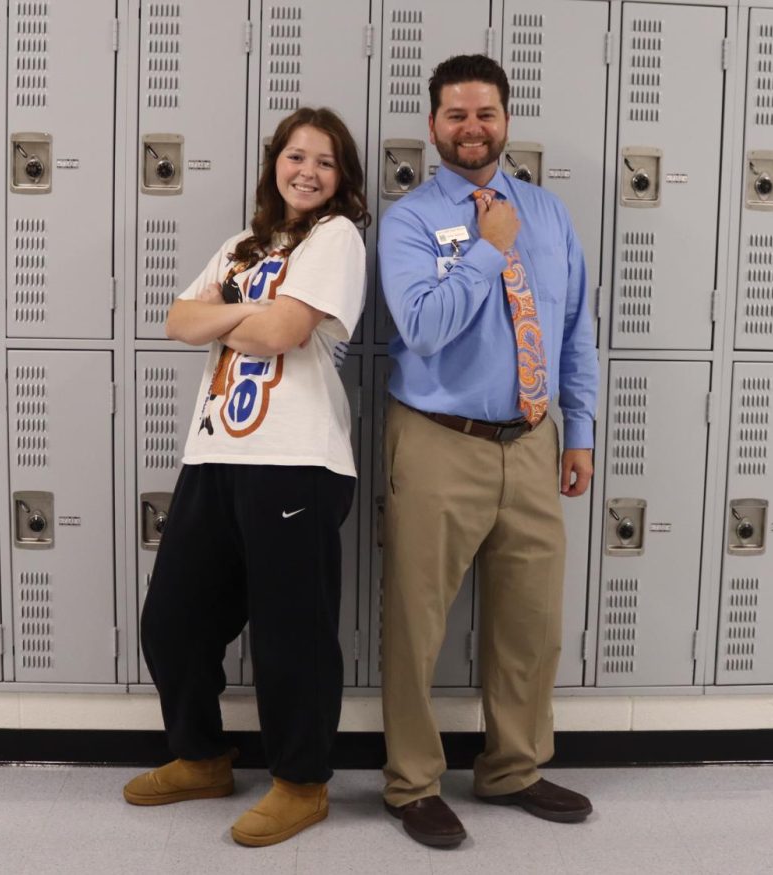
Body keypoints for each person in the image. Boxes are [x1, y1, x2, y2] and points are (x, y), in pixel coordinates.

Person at [123, 106, 368, 848]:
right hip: (214, 458)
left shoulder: (337, 238)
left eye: (324, 162)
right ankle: (201, 756)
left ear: (341, 178)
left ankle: (302, 781)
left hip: (296, 461)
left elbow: (286, 332)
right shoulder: (241, 245)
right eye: (296, 156)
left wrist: (228, 310)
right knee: (172, 621)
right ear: (275, 165)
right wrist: (245, 310)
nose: (307, 171)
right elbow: (174, 320)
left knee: (292, 634)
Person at [377, 54, 599, 848]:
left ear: (506, 120)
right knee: (417, 620)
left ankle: (512, 766)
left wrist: (582, 430)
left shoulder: (549, 214)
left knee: (531, 620)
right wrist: (487, 246)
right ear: (433, 126)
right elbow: (425, 327)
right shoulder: (407, 221)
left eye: (486, 114)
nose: (472, 128)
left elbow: (577, 329)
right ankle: (411, 782)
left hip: (534, 442)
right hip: (441, 441)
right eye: (455, 115)